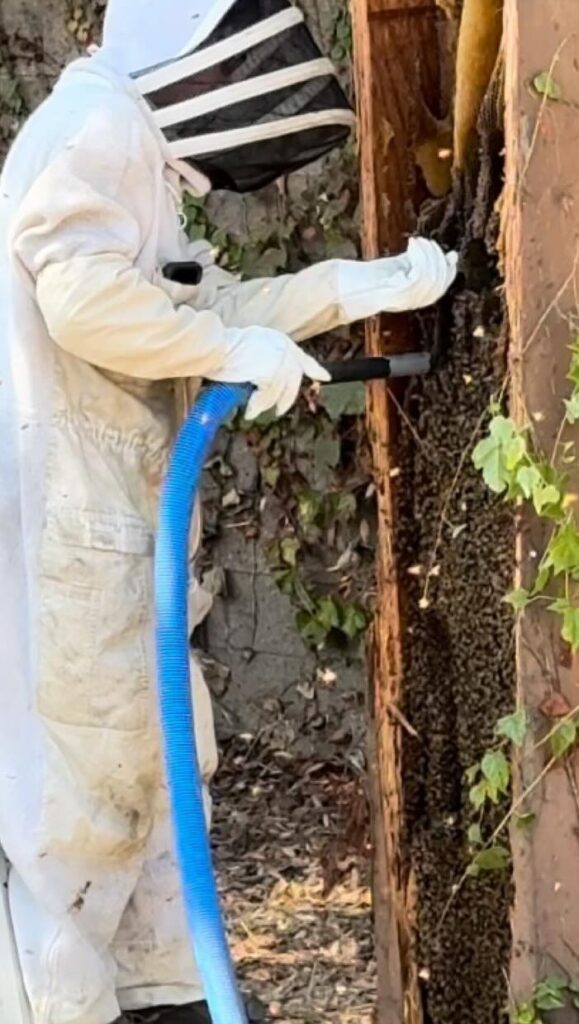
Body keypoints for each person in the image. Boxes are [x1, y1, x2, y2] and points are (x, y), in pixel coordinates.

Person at [0, 1, 457, 1022]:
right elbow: (82, 298)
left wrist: (346, 287)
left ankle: (163, 995)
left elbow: (193, 312)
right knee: (76, 815)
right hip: (64, 555)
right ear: (194, 49)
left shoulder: (134, 152)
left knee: (157, 785)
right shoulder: (102, 124)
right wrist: (229, 353)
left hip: (105, 552)